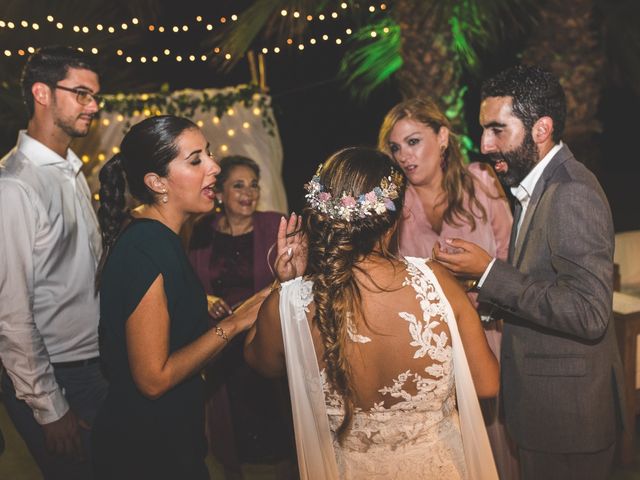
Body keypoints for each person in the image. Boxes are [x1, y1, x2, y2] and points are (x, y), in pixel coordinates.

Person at [245, 147, 500, 479]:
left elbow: (260, 362)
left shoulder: (292, 303)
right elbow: (487, 385)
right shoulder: (437, 282)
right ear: (394, 219)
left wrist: (282, 285)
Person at [433, 65, 626, 480]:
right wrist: (483, 288)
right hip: (549, 414)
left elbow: (588, 312)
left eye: (497, 130)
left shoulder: (571, 191)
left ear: (541, 129)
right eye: (483, 130)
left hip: (570, 422)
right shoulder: (534, 187)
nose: (484, 144)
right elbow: (545, 286)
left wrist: (489, 273)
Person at [92, 115, 265, 479]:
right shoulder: (146, 246)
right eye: (196, 160)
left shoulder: (161, 237)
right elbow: (153, 379)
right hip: (145, 454)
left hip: (166, 440)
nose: (214, 167)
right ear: (156, 182)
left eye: (210, 154)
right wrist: (233, 325)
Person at [378, 97, 517, 478]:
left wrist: (476, 281)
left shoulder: (482, 183)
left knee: (500, 441)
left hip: (491, 333)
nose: (404, 156)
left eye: (413, 141)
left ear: (442, 137)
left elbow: (509, 257)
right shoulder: (392, 206)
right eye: (395, 147)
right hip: (432, 349)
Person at [0, 45, 107, 479]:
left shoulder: (70, 170)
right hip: (57, 377)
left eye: (96, 95)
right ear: (41, 93)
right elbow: (10, 314)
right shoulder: (14, 187)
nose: (94, 106)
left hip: (95, 365)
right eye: (81, 94)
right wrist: (49, 407)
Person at [188, 155, 295, 477]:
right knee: (232, 426)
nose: (249, 193)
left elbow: (295, 280)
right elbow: (189, 283)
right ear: (219, 193)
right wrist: (205, 300)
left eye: (253, 185)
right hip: (221, 345)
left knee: (277, 425)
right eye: (238, 185)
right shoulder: (201, 232)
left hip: (266, 340)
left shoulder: (275, 225)